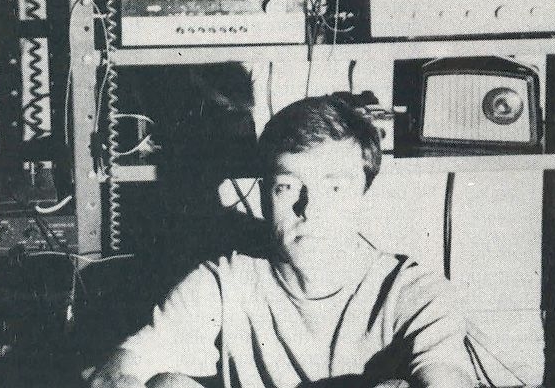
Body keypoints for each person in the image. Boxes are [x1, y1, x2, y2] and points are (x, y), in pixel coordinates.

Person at [87, 95, 474, 388]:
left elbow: (447, 377)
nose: (309, 208)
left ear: (363, 194)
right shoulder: (225, 283)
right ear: (263, 195)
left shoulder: (413, 294)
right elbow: (117, 370)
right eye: (287, 186)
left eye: (334, 187)